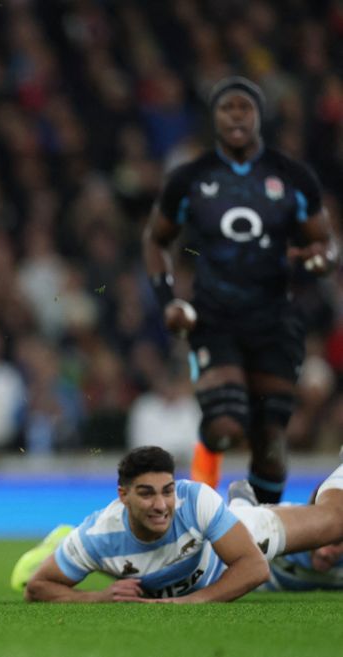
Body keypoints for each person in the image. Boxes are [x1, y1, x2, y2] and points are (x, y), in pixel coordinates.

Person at [143, 76, 338, 502]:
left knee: (269, 438)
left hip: (274, 320)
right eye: (226, 108)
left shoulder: (292, 177)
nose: (235, 115)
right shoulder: (191, 178)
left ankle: (261, 531)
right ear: (213, 118)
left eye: (243, 107)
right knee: (225, 423)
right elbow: (156, 240)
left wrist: (323, 258)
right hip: (215, 316)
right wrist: (168, 299)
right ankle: (196, 511)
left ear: (258, 116)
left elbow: (325, 241)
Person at [21, 446, 343, 602]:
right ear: (123, 495)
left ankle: (242, 505)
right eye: (146, 494)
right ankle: (60, 543)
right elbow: (37, 588)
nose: (161, 505)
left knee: (334, 521)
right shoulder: (98, 536)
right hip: (144, 564)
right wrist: (99, 597)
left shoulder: (195, 499)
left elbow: (255, 569)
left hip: (242, 533)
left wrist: (189, 602)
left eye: (167, 491)